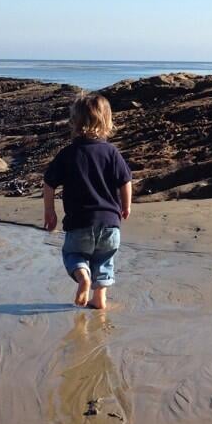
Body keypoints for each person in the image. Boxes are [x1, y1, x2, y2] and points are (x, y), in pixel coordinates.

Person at [42, 93, 132, 309]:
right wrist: (126, 206)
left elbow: (49, 183)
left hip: (79, 223)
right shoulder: (111, 152)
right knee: (104, 259)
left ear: (74, 121)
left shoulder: (68, 154)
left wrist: (49, 212)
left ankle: (83, 276)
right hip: (110, 223)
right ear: (107, 121)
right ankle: (99, 298)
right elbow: (125, 181)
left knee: (73, 254)